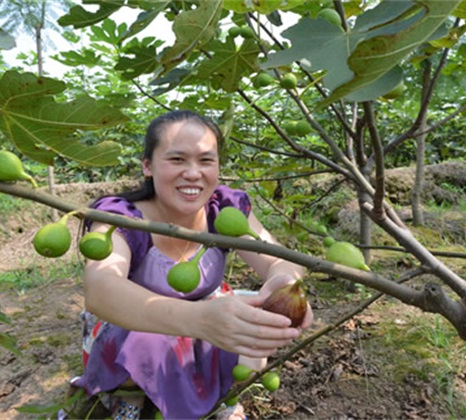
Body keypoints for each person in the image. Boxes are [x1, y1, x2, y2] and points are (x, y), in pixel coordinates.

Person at [68, 110, 313, 420]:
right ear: (148, 166)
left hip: (205, 319)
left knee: (252, 329)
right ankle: (130, 395)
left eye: (206, 161)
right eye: (177, 160)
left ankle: (215, 395)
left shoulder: (224, 211)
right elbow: (101, 289)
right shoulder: (119, 218)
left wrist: (287, 282)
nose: (194, 173)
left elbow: (279, 260)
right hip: (138, 328)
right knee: (147, 341)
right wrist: (198, 320)